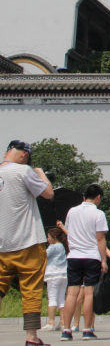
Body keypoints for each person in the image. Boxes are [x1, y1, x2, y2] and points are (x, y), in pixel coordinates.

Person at [0, 139, 54, 346]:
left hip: (2, 244)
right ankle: (32, 339)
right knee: (31, 291)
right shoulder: (24, 171)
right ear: (24, 155)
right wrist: (40, 174)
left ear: (7, 153)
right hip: (28, 242)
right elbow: (48, 193)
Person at [60, 184, 108, 342]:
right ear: (98, 197)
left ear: (83, 196)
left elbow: (69, 233)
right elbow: (100, 238)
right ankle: (87, 330)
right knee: (88, 293)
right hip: (91, 257)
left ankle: (66, 330)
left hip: (73, 257)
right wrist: (104, 260)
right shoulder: (98, 213)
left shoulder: (71, 211)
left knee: (71, 293)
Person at [42, 228, 69, 332]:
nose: (47, 239)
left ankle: (51, 322)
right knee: (61, 298)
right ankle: (63, 322)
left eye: (48, 237)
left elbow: (43, 256)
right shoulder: (62, 246)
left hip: (53, 275)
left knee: (52, 298)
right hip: (63, 275)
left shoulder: (52, 247)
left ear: (53, 237)